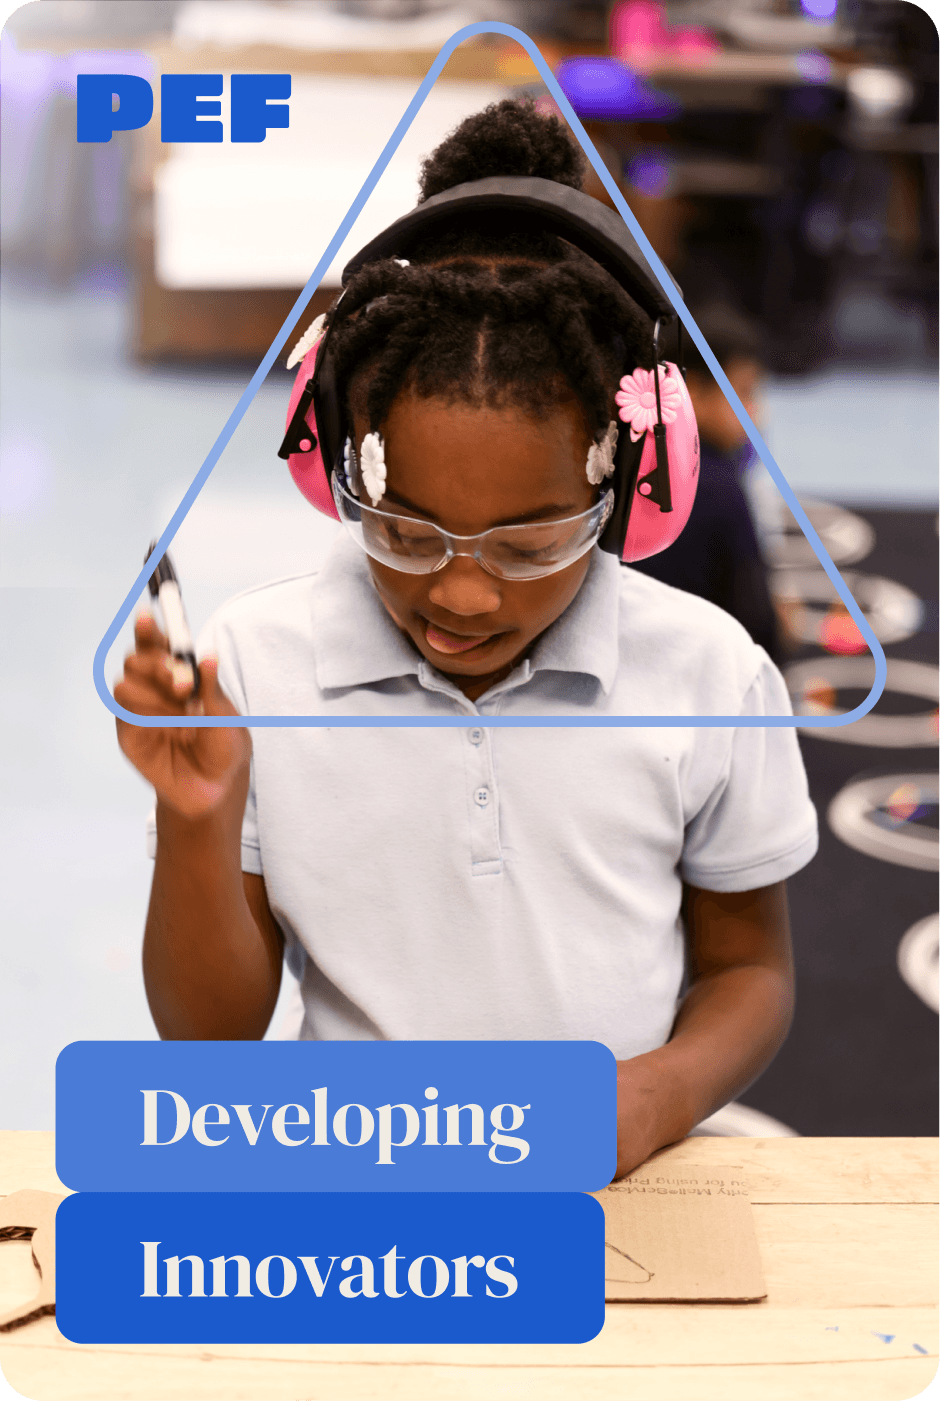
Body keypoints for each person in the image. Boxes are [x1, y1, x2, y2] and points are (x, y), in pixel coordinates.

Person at [115, 100, 817, 1180]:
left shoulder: (709, 671)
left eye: (529, 544)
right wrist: (195, 822)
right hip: (350, 1183)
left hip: (610, 1185)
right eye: (405, 531)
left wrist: (660, 1094)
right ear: (333, 461)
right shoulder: (254, 660)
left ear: (627, 482)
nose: (465, 595)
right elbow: (209, 1044)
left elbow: (748, 970)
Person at [631, 302, 784, 662]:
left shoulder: (622, 456)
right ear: (693, 391)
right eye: (745, 392)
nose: (756, 411)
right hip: (700, 668)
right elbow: (757, 624)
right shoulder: (719, 488)